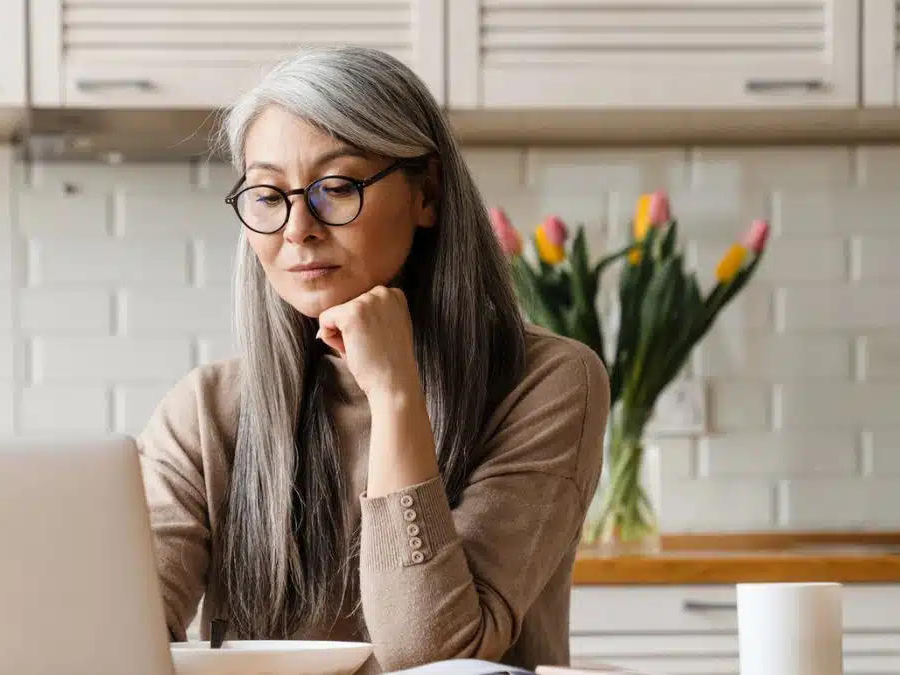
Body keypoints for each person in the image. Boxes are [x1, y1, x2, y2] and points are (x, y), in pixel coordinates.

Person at [136, 45, 609, 674]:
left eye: (336, 188)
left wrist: (395, 396)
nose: (297, 227)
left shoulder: (547, 383)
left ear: (427, 193)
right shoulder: (207, 409)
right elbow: (114, 628)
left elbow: (432, 657)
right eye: (268, 195)